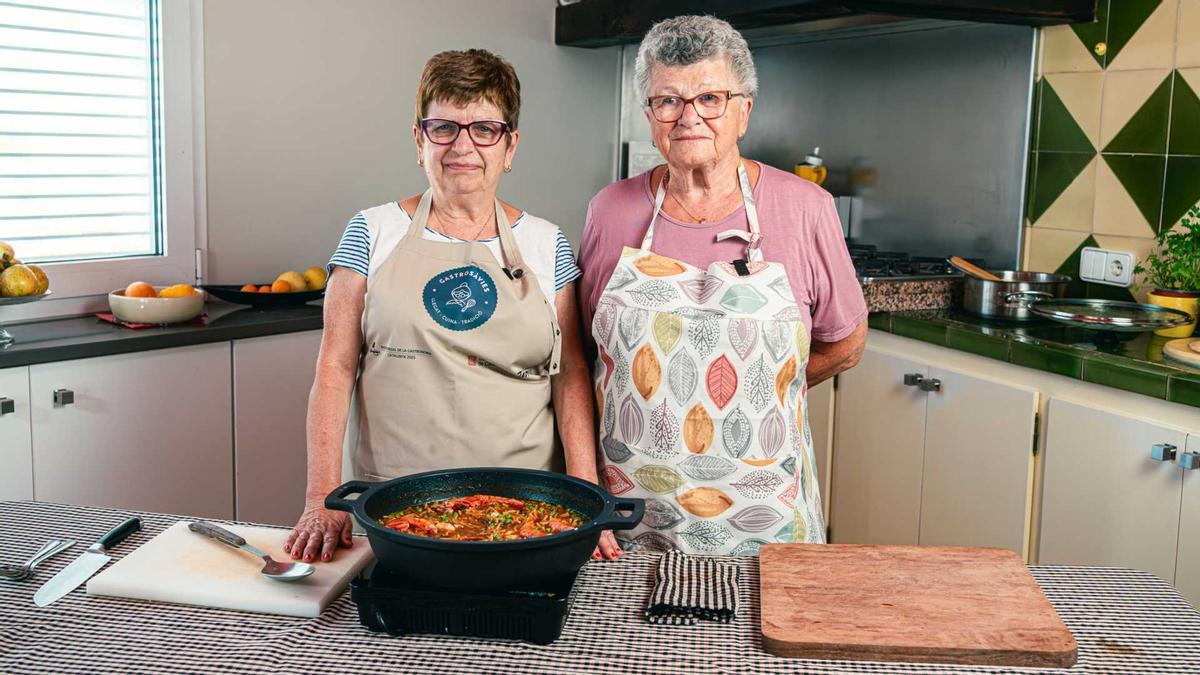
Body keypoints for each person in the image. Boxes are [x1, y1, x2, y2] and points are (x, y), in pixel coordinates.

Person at [287, 49, 621, 562]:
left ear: (510, 147)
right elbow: (334, 366)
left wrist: (586, 495)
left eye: (485, 128)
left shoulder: (546, 244)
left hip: (529, 505)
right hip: (395, 505)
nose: (463, 145)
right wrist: (320, 499)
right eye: (445, 127)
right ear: (420, 141)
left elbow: (571, 372)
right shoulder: (371, 232)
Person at [578, 16, 868, 555]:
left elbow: (846, 343)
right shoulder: (609, 210)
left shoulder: (805, 209)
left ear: (744, 111)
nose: (689, 118)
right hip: (629, 516)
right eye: (667, 101)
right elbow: (584, 351)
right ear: (650, 115)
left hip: (767, 516)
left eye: (710, 98)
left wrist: (766, 392)